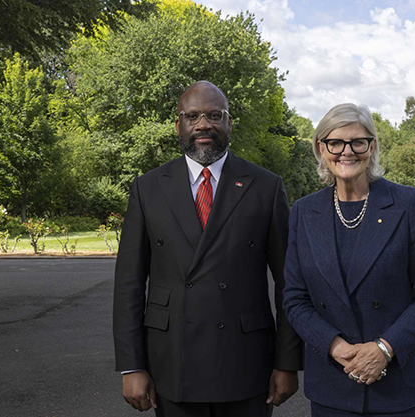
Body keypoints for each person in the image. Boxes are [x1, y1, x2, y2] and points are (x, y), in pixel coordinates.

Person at [113, 81, 303, 417]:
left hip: (246, 362)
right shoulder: (148, 188)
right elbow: (129, 284)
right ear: (179, 125)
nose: (204, 124)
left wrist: (287, 362)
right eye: (193, 116)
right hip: (172, 363)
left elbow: (290, 284)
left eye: (215, 115)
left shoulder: (266, 186)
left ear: (229, 123)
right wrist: (131, 366)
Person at [282, 103, 415, 416]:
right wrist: (336, 347)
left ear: (372, 147)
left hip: (402, 387)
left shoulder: (408, 203)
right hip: (334, 386)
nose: (347, 151)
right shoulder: (304, 212)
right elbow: (295, 299)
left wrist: (384, 349)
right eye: (335, 142)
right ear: (321, 148)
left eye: (358, 142)